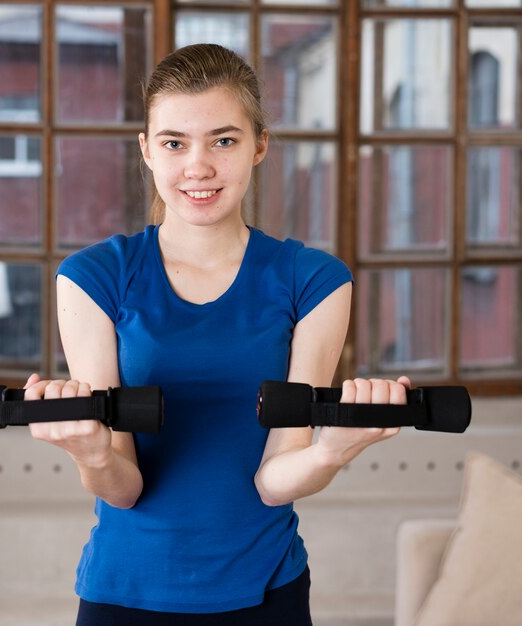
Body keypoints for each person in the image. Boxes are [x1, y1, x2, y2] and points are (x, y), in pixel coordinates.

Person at [24, 43, 410, 626]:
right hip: (124, 593)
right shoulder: (93, 277)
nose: (197, 167)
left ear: (259, 146)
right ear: (146, 151)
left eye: (223, 141)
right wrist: (93, 450)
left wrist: (333, 450)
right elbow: (123, 487)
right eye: (174, 142)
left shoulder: (315, 281)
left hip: (266, 593)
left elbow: (275, 481)